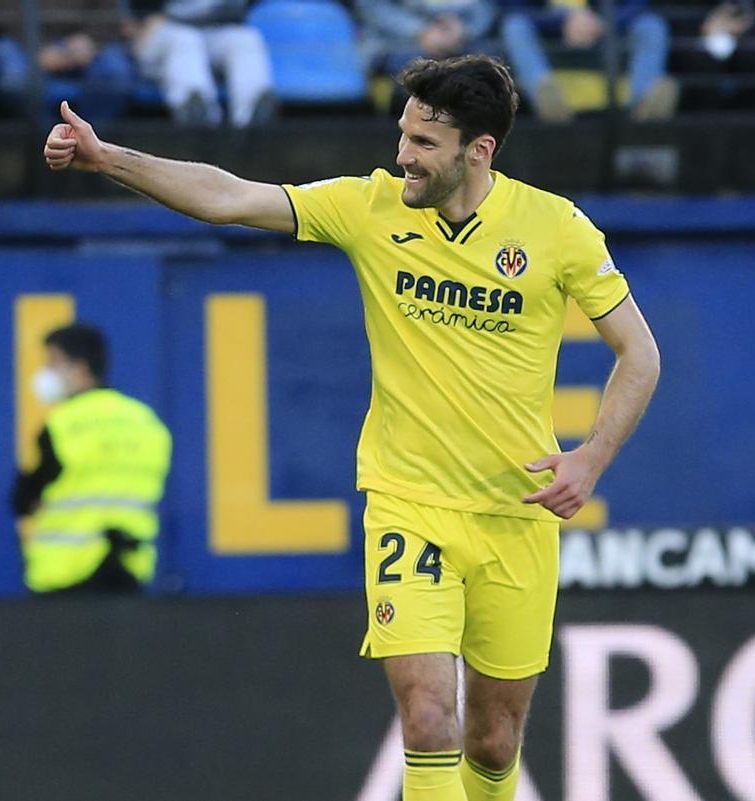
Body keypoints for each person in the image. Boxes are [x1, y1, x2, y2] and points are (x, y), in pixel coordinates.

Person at [43, 55, 660, 799]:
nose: (403, 155)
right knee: (429, 718)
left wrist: (590, 459)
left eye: (425, 144)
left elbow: (640, 352)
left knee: (494, 744)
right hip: (409, 503)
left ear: (480, 150)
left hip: (515, 515)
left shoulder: (555, 228)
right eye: (403, 134)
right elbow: (228, 198)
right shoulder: (372, 207)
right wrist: (109, 158)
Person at [12, 323, 172, 595]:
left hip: (67, 573)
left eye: (54, 362)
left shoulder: (63, 425)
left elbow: (24, 498)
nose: (45, 373)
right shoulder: (146, 422)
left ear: (82, 368)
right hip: (129, 570)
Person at [499, 0, 679, 122]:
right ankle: (546, 97)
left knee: (652, 25)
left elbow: (639, 4)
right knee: (515, 26)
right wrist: (562, 21)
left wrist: (603, 22)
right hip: (548, 35)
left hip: (607, 31)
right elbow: (511, 6)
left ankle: (643, 103)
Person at [128, 0, 276, 126]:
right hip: (167, 32)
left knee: (245, 39)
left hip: (217, 31)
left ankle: (253, 118)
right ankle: (197, 116)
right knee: (186, 41)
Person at [0, 0, 134, 123]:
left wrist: (90, 40)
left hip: (84, 41)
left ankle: (90, 144)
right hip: (25, 43)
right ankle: (49, 145)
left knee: (115, 72)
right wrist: (36, 48)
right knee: (15, 79)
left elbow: (111, 13)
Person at [357, 0, 498, 78]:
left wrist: (464, 30)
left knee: (489, 62)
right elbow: (373, 7)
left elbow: (487, 7)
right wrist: (420, 31)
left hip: (463, 38)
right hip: (398, 41)